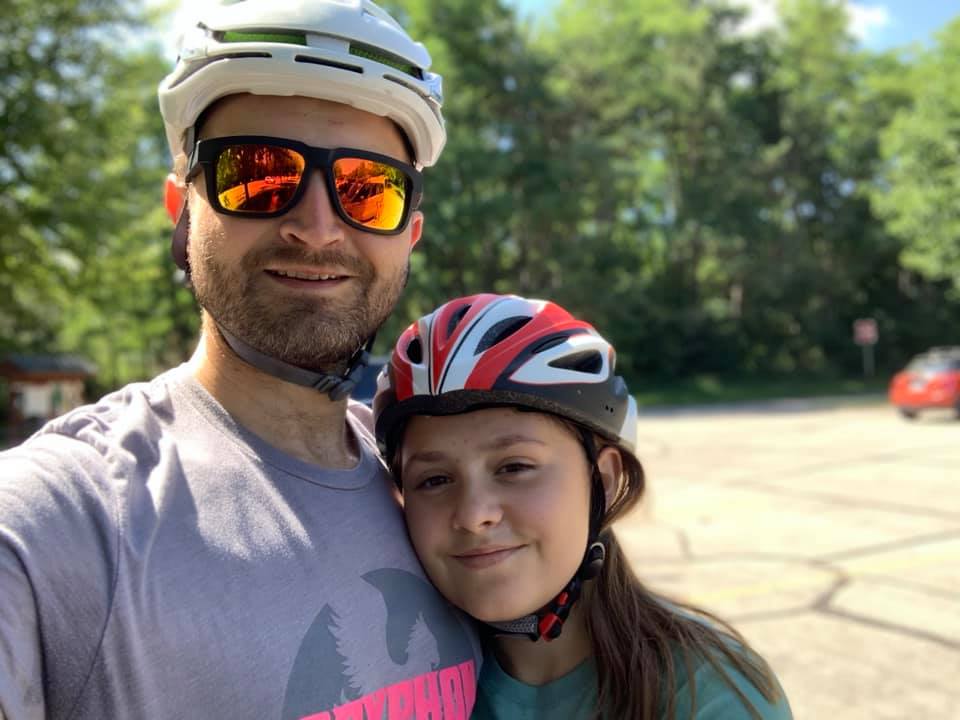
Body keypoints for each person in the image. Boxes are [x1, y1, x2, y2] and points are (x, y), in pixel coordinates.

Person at [0, 2, 481, 719]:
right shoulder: (68, 517)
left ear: (409, 232)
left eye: (367, 190)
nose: (317, 228)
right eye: (259, 173)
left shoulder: (436, 487)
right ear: (182, 207)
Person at [373, 293, 794, 719]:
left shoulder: (709, 696)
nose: (473, 515)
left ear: (603, 480)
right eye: (434, 480)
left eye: (515, 467)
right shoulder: (391, 684)